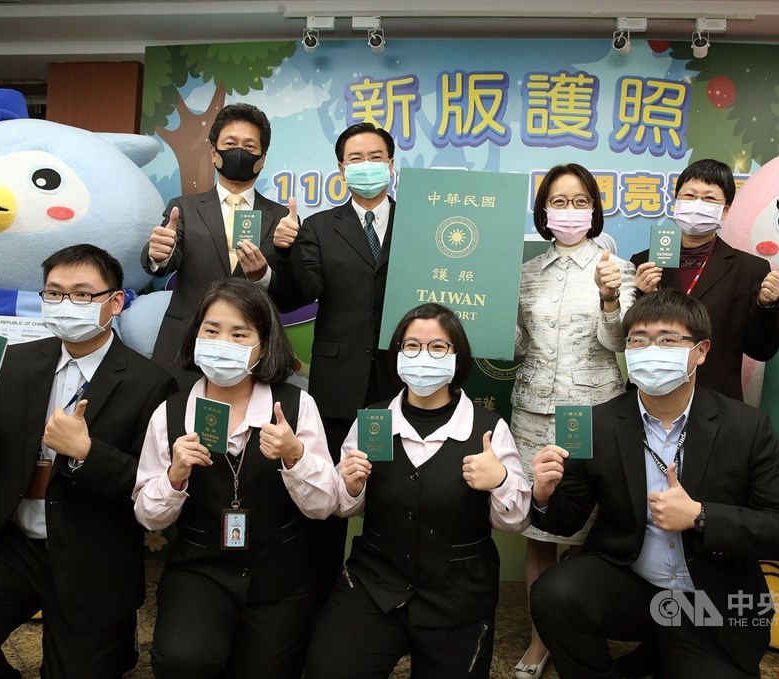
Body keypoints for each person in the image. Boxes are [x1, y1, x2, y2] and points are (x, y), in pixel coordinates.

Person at [0, 244, 177, 679]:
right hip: (12, 542)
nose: (64, 305)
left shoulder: (149, 383)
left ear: (114, 302)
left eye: (81, 295)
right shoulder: (15, 363)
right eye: (54, 294)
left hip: (92, 552)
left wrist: (88, 453)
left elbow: (149, 488)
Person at [529, 289, 779, 679]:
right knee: (555, 592)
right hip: (631, 585)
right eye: (638, 340)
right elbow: (568, 520)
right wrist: (545, 496)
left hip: (708, 602)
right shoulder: (594, 423)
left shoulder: (745, 426)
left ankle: (667, 654)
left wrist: (701, 516)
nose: (651, 350)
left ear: (700, 351)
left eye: (667, 339)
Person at [304, 303, 532, 679]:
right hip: (375, 586)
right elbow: (342, 507)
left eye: (438, 347)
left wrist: (501, 479)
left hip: (457, 596)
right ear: (397, 355)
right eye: (411, 346)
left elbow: (516, 521)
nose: (422, 356)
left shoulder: (488, 429)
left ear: (457, 357)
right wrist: (350, 484)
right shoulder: (374, 421)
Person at [133, 278, 337, 679]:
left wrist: (294, 456)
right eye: (211, 331)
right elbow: (148, 516)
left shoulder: (297, 406)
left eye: (239, 334)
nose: (222, 342)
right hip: (201, 569)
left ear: (263, 344)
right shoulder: (171, 413)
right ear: (195, 336)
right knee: (183, 661)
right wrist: (175, 476)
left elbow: (326, 504)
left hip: (281, 575)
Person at [512, 163, 636, 679]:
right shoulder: (524, 273)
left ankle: (578, 636)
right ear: (543, 212)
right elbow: (515, 348)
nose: (569, 211)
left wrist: (611, 296)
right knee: (539, 530)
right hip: (533, 413)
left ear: (594, 208)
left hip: (594, 414)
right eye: (558, 202)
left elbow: (620, 342)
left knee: (587, 534)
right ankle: (540, 641)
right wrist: (490, 318)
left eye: (579, 200)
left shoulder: (617, 268)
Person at [271, 121, 401, 591]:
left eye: (375, 157)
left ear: (391, 163)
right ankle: (321, 592)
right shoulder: (319, 227)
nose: (366, 166)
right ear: (341, 168)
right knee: (331, 489)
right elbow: (298, 294)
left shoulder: (422, 224)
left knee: (388, 489)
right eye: (355, 159)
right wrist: (283, 255)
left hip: (400, 381)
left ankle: (379, 587)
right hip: (338, 383)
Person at [143, 103, 297, 386]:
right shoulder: (184, 208)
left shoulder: (282, 219)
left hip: (252, 351)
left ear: (262, 159)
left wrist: (262, 276)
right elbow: (165, 260)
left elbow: (291, 294)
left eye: (250, 146)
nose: (239, 151)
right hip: (186, 345)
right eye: (230, 143)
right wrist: (158, 255)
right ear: (214, 153)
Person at [629, 159, 779, 401]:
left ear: (725, 209)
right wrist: (642, 295)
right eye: (690, 196)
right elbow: (627, 338)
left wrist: (767, 305)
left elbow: (761, 349)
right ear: (676, 202)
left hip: (716, 401)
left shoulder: (749, 269)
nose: (697, 205)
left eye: (709, 198)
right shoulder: (645, 262)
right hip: (649, 397)